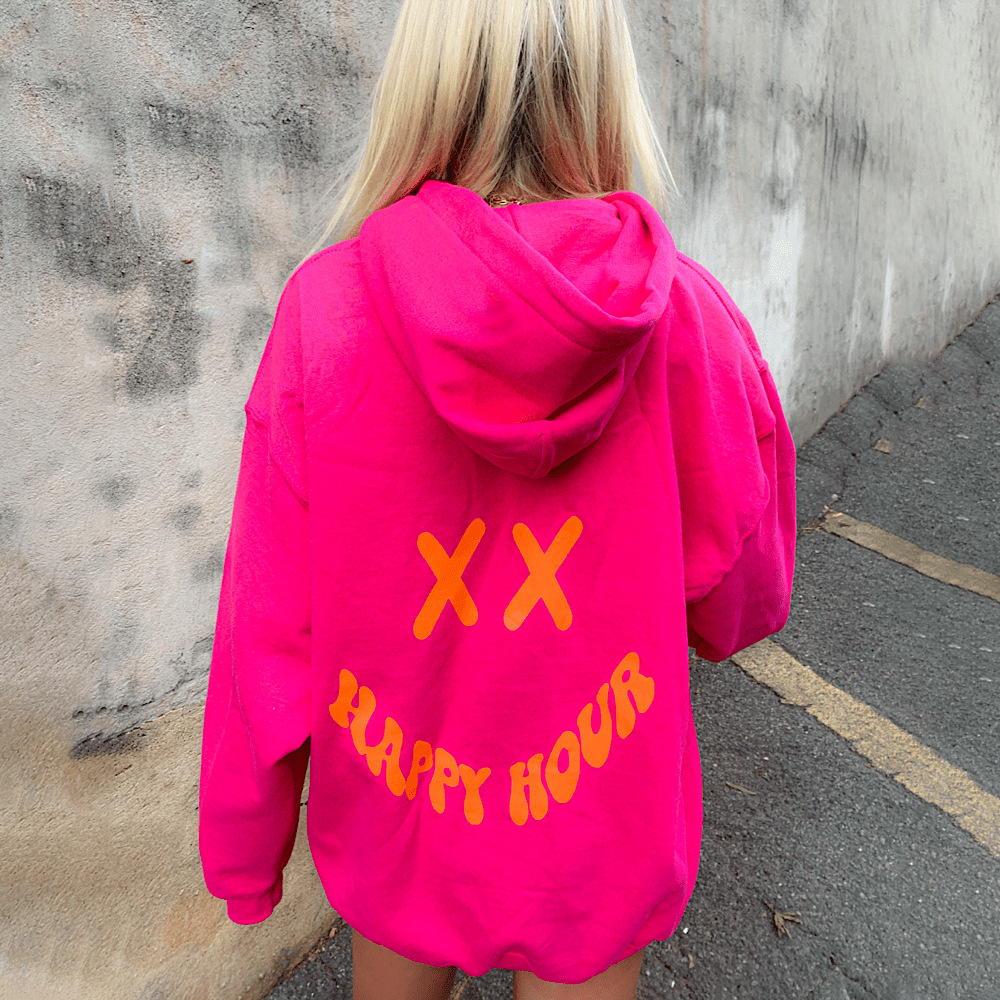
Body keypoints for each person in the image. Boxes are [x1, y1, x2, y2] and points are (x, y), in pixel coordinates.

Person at [198, 1, 797, 998]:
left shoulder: (326, 311)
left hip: (400, 824)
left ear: (421, 83)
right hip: (600, 834)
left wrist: (245, 848)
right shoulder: (683, 318)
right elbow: (743, 597)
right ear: (604, 85)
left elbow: (265, 626)